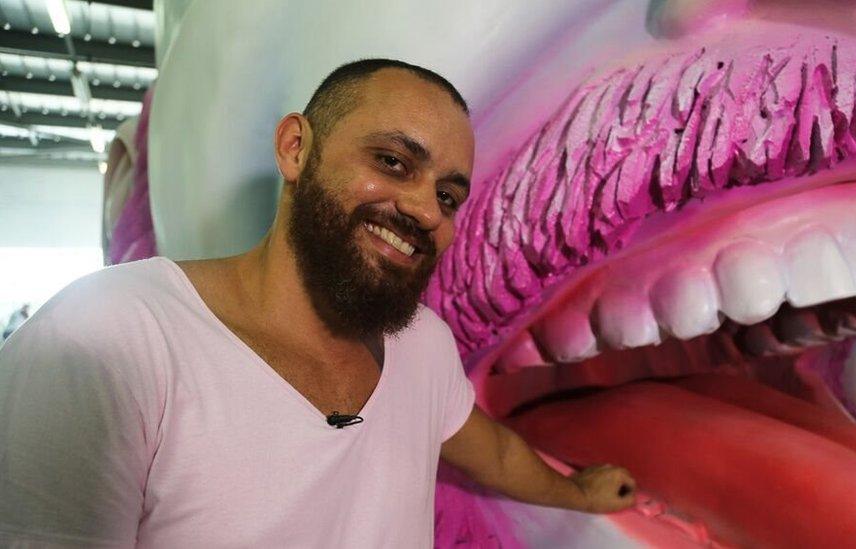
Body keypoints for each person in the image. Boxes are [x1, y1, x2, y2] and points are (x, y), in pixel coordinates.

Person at [0, 59, 635, 547]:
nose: (422, 209)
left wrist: (580, 492)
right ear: (295, 148)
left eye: (447, 196)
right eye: (392, 161)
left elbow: (491, 452)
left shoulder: (424, 343)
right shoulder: (105, 337)